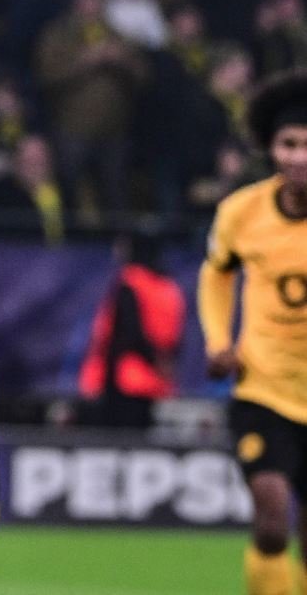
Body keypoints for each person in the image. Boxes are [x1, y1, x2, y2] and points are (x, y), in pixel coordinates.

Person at [200, 70, 307, 595]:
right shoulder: (241, 212)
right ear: (270, 148)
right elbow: (217, 274)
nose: (300, 157)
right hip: (263, 388)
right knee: (271, 517)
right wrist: (219, 341)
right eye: (289, 144)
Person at [79, 226, 184, 429]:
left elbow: (128, 332)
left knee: (121, 440)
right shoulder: (170, 288)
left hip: (126, 380)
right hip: (158, 381)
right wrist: (162, 365)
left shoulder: (132, 281)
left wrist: (104, 382)